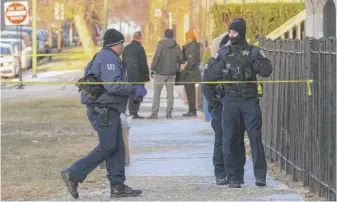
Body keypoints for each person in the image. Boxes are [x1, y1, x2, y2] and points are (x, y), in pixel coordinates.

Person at [60, 29, 146, 199]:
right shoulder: (108, 58)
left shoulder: (107, 57)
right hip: (103, 110)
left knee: (117, 147)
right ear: (117, 44)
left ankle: (118, 186)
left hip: (108, 109)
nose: (123, 47)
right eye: (122, 43)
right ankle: (73, 173)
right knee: (107, 147)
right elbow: (112, 85)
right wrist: (133, 88)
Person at [206, 18, 273, 188]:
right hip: (230, 100)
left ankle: (260, 176)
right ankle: (233, 176)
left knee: (255, 138)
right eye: (229, 32)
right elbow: (211, 72)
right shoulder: (223, 52)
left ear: (241, 33)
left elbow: (266, 70)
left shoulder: (253, 51)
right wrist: (219, 64)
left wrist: (253, 62)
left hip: (249, 100)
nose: (231, 35)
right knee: (229, 139)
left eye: (234, 32)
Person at [202, 33, 245, 186]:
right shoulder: (214, 62)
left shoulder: (239, 60)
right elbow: (206, 86)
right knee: (221, 139)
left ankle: (236, 173)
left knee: (236, 139)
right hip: (220, 106)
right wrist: (214, 105)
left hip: (236, 105)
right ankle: (221, 173)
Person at [147, 29, 184, 119]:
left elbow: (157, 56)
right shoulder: (177, 46)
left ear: (165, 35)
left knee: (157, 93)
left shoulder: (161, 44)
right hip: (172, 73)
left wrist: (152, 68)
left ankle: (154, 113)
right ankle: (169, 112)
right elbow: (181, 59)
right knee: (170, 93)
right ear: (173, 35)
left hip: (160, 72)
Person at [122, 31, 150, 119]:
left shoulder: (126, 48)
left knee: (132, 93)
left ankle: (131, 111)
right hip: (139, 76)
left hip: (129, 75)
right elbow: (143, 63)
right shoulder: (140, 49)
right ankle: (134, 112)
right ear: (140, 38)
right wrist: (146, 75)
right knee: (139, 93)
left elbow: (123, 61)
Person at [181, 29, 202, 117]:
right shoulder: (195, 45)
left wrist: (185, 71)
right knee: (191, 92)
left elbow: (191, 61)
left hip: (190, 73)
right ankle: (192, 110)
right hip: (193, 72)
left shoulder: (191, 46)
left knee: (190, 92)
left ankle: (192, 110)